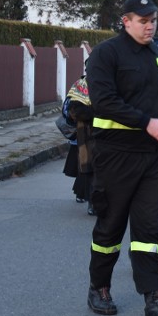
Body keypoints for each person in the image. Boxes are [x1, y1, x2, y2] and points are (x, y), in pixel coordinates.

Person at [85, 0, 158, 316]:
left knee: (147, 231)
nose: (150, 26)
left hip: (154, 157)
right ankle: (99, 286)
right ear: (125, 21)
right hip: (116, 154)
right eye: (143, 20)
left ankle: (155, 301)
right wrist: (146, 123)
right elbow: (104, 102)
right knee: (110, 226)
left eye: (153, 20)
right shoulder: (106, 53)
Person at [66, 76, 96, 215]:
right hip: (87, 136)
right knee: (89, 169)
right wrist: (95, 112)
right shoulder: (81, 85)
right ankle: (92, 202)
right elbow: (74, 110)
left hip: (107, 135)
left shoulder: (110, 81)